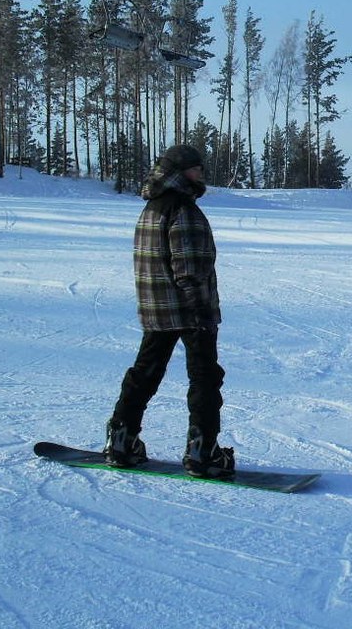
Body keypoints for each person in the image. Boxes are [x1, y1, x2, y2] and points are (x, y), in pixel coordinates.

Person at [104, 145, 235, 479]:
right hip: (189, 308)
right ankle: (203, 451)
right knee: (205, 377)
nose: (201, 173)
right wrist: (200, 311)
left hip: (157, 307)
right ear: (180, 172)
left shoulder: (151, 207)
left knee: (145, 371)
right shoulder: (183, 210)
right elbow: (188, 266)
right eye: (196, 167)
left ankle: (122, 438)